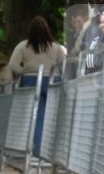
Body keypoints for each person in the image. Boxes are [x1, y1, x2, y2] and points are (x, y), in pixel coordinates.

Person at [9, 15, 67, 154]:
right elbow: (64, 65)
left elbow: (12, 65)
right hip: (48, 82)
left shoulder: (23, 46)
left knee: (28, 115)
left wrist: (24, 71)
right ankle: (42, 149)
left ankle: (25, 146)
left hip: (29, 81)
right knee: (44, 115)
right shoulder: (56, 48)